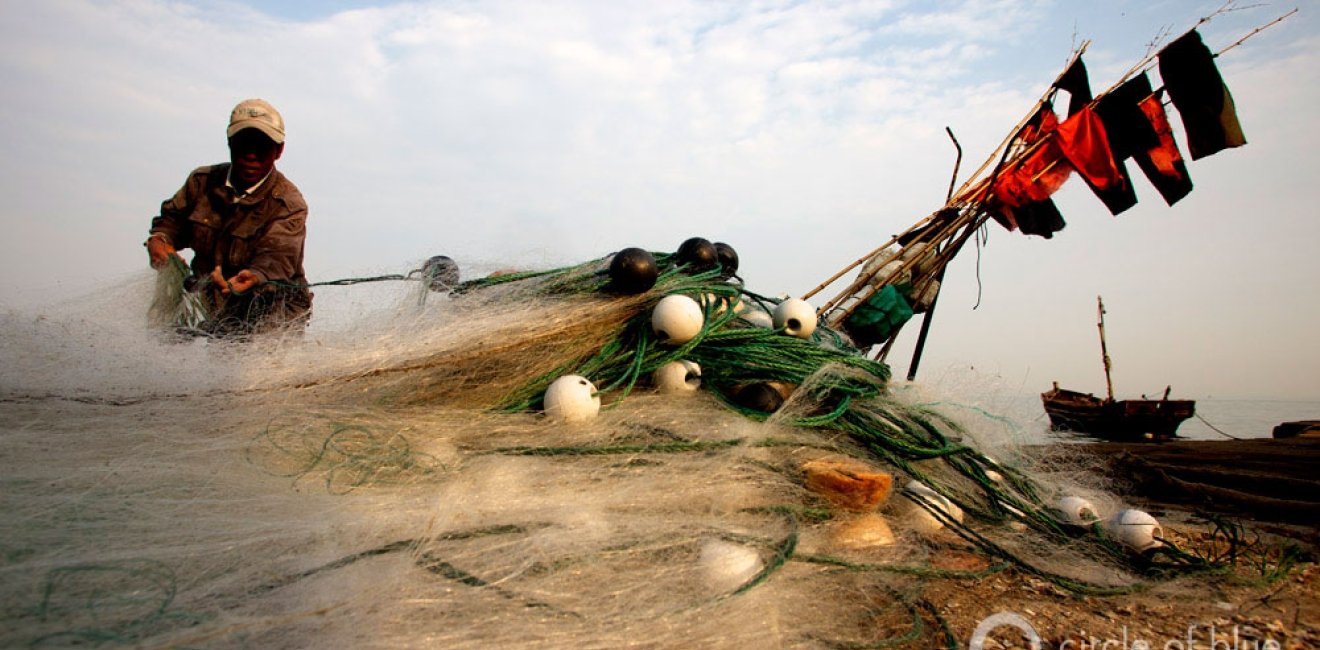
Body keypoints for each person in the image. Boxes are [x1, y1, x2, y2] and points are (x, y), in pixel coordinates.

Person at [144, 99, 312, 337]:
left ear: (279, 151)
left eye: (262, 146)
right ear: (229, 142)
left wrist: (254, 276)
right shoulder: (201, 182)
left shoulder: (289, 203)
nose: (251, 155)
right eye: (243, 144)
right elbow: (171, 222)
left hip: (276, 309)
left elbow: (277, 257)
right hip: (212, 302)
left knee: (257, 368)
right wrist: (159, 240)